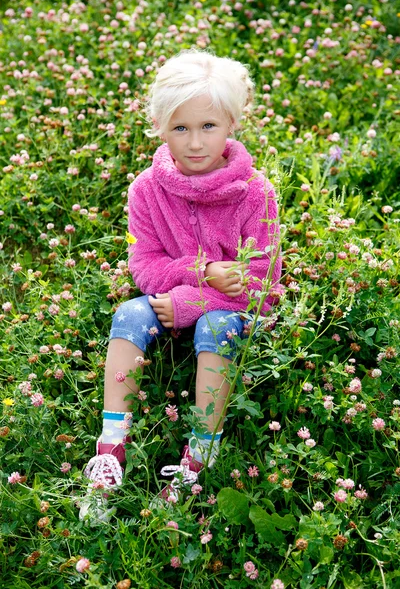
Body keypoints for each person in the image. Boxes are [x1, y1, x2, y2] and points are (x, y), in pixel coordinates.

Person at [79, 48, 281, 520]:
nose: (194, 142)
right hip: (171, 297)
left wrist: (192, 300)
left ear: (232, 122)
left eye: (208, 126)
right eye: (180, 128)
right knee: (129, 312)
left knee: (216, 328)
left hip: (224, 313)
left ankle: (200, 453)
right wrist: (201, 271)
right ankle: (111, 449)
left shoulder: (256, 192)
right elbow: (144, 264)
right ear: (160, 127)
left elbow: (262, 286)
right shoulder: (147, 188)